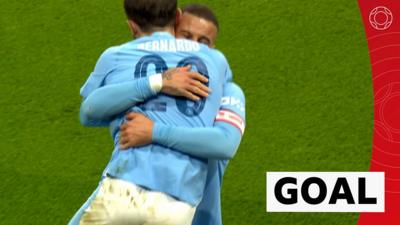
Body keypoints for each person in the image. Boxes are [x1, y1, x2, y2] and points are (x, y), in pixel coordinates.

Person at [78, 4, 246, 225]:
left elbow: (225, 143)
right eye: (185, 36)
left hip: (175, 205)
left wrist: (154, 132)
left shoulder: (225, 86)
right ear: (176, 22)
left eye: (202, 42)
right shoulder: (210, 67)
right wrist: (158, 82)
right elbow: (90, 111)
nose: (191, 46)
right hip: (165, 201)